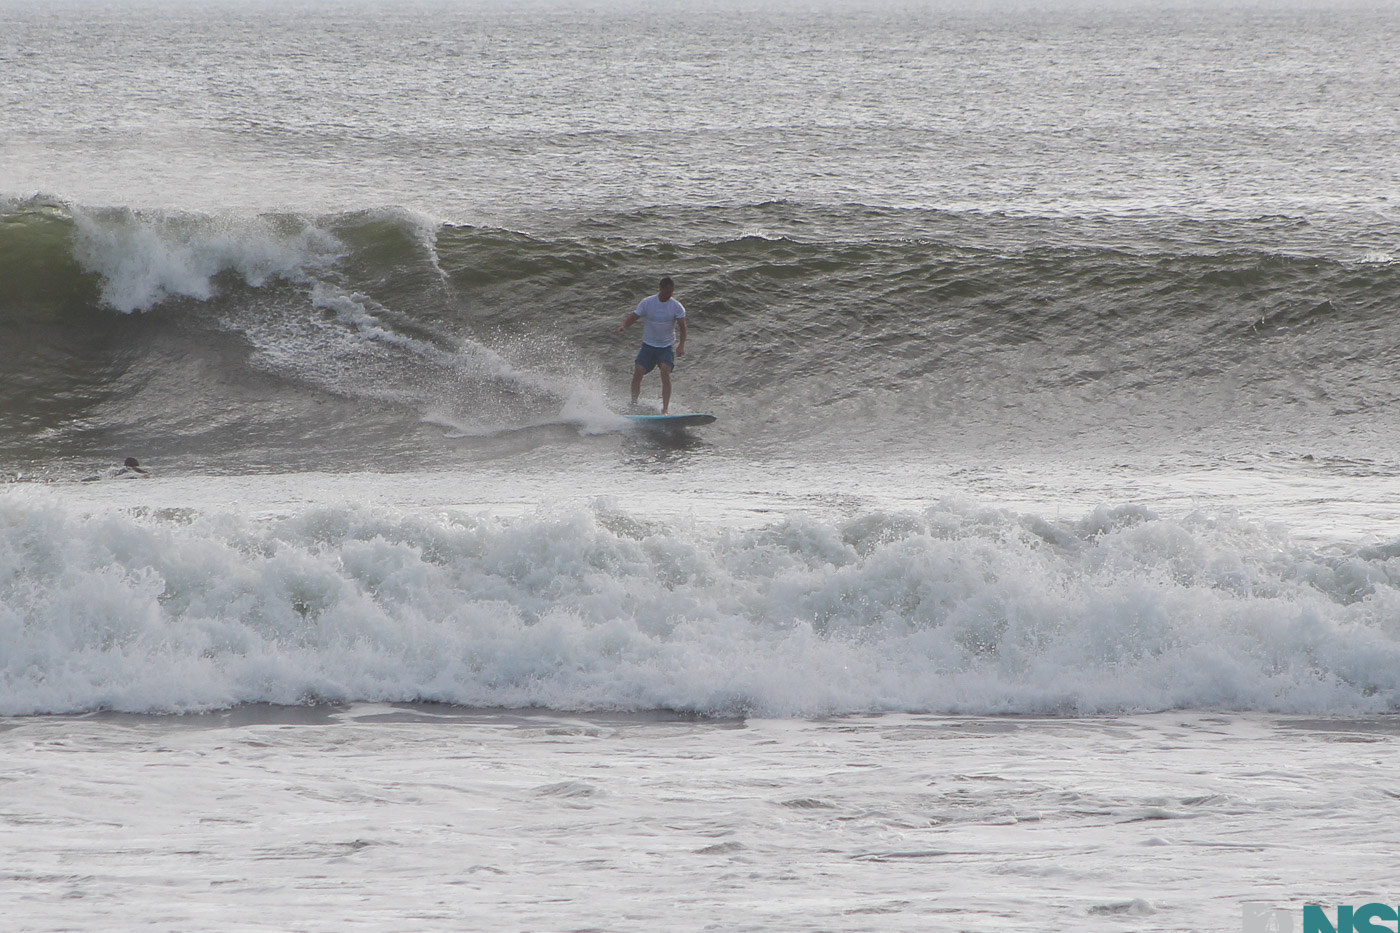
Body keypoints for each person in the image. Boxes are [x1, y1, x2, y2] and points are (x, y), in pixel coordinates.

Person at [615, 276, 687, 414]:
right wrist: (623, 326)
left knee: (665, 372)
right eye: (666, 292)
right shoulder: (648, 302)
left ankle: (665, 409)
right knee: (638, 372)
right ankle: (633, 404)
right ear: (660, 289)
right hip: (648, 345)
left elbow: (683, 327)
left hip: (666, 347)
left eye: (671, 292)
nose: (669, 295)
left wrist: (681, 345)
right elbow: (634, 317)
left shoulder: (676, 306)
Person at [82, 457, 151, 481]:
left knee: (102, 477)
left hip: (111, 475)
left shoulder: (119, 469)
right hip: (121, 477)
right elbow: (144, 474)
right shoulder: (131, 469)